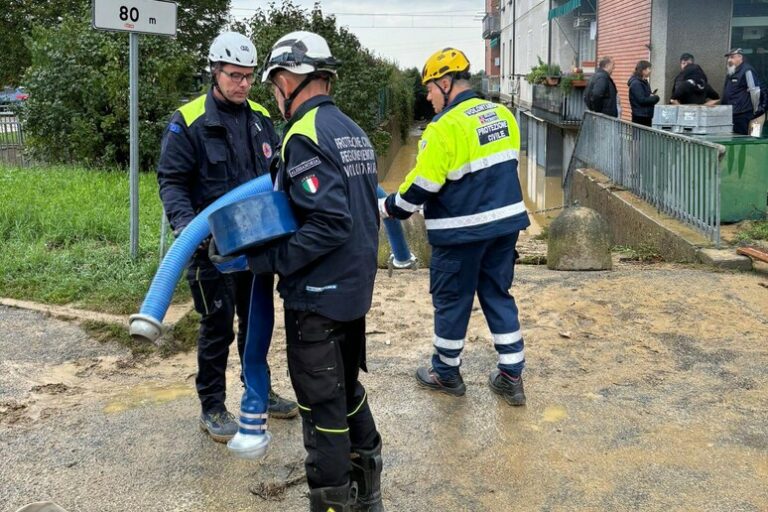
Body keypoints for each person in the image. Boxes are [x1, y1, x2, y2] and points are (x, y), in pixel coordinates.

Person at [251, 31, 384, 512]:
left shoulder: (304, 136)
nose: (274, 97)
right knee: (346, 391)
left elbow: (330, 220)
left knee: (321, 409)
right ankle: (368, 494)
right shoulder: (351, 129)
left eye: (273, 86)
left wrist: (273, 261)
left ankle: (332, 502)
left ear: (289, 79)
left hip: (319, 298)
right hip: (352, 291)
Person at [156, 31, 298, 443]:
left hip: (255, 245)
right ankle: (213, 405)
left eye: (250, 77)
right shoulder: (189, 121)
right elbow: (172, 181)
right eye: (235, 76)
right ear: (215, 71)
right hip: (211, 249)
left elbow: (276, 175)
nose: (244, 84)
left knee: (257, 324)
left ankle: (260, 391)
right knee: (217, 327)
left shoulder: (259, 118)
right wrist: (187, 227)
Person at [379, 48, 531, 406]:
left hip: (461, 233)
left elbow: (423, 185)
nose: (428, 96)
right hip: (506, 226)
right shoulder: (504, 115)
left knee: (451, 299)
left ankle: (446, 373)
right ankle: (512, 375)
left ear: (446, 83)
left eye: (430, 89)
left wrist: (391, 207)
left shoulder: (443, 128)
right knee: (497, 293)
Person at [722, 48, 767, 135]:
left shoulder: (747, 70)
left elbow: (755, 91)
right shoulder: (732, 72)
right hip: (737, 114)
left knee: (753, 138)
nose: (729, 60)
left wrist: (757, 110)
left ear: (740, 57)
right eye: (728, 58)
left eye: (732, 57)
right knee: (739, 139)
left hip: (749, 114)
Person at [627, 60, 660, 126]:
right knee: (639, 136)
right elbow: (641, 100)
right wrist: (655, 98)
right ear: (643, 70)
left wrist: (651, 95)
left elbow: (645, 96)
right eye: (649, 69)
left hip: (646, 115)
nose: (650, 71)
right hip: (640, 117)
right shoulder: (636, 83)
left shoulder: (644, 81)